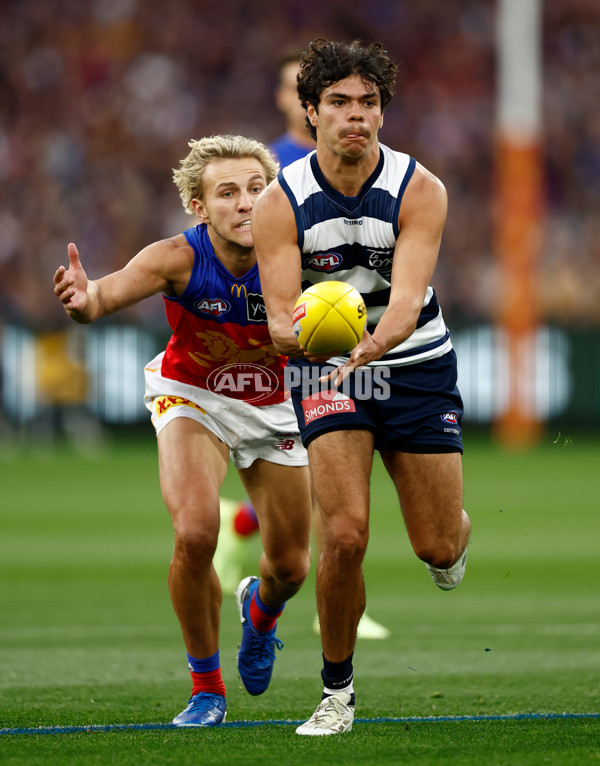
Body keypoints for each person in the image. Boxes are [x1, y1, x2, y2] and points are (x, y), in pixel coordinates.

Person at [53, 134, 312, 727]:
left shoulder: (301, 254)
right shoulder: (177, 257)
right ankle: (206, 690)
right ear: (199, 208)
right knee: (196, 533)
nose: (246, 203)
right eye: (228, 193)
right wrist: (82, 299)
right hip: (193, 394)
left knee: (292, 569)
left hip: (276, 408)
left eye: (257, 189)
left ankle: (259, 609)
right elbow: (103, 297)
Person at [251, 39, 471, 736]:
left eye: (369, 103)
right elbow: (282, 317)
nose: (357, 117)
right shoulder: (279, 202)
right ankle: (336, 695)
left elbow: (406, 303)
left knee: (437, 546)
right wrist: (313, 337)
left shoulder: (420, 188)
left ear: (383, 112)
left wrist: (368, 344)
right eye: (340, 104)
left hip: (412, 365)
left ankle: (455, 538)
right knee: (343, 535)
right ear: (309, 112)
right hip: (325, 371)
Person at [215, 50, 390, 641]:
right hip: (286, 337)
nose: (348, 112)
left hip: (336, 336)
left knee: (320, 470)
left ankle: (245, 535)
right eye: (303, 91)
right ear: (295, 101)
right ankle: (262, 548)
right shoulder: (271, 169)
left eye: (359, 101)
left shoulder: (359, 162)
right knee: (316, 468)